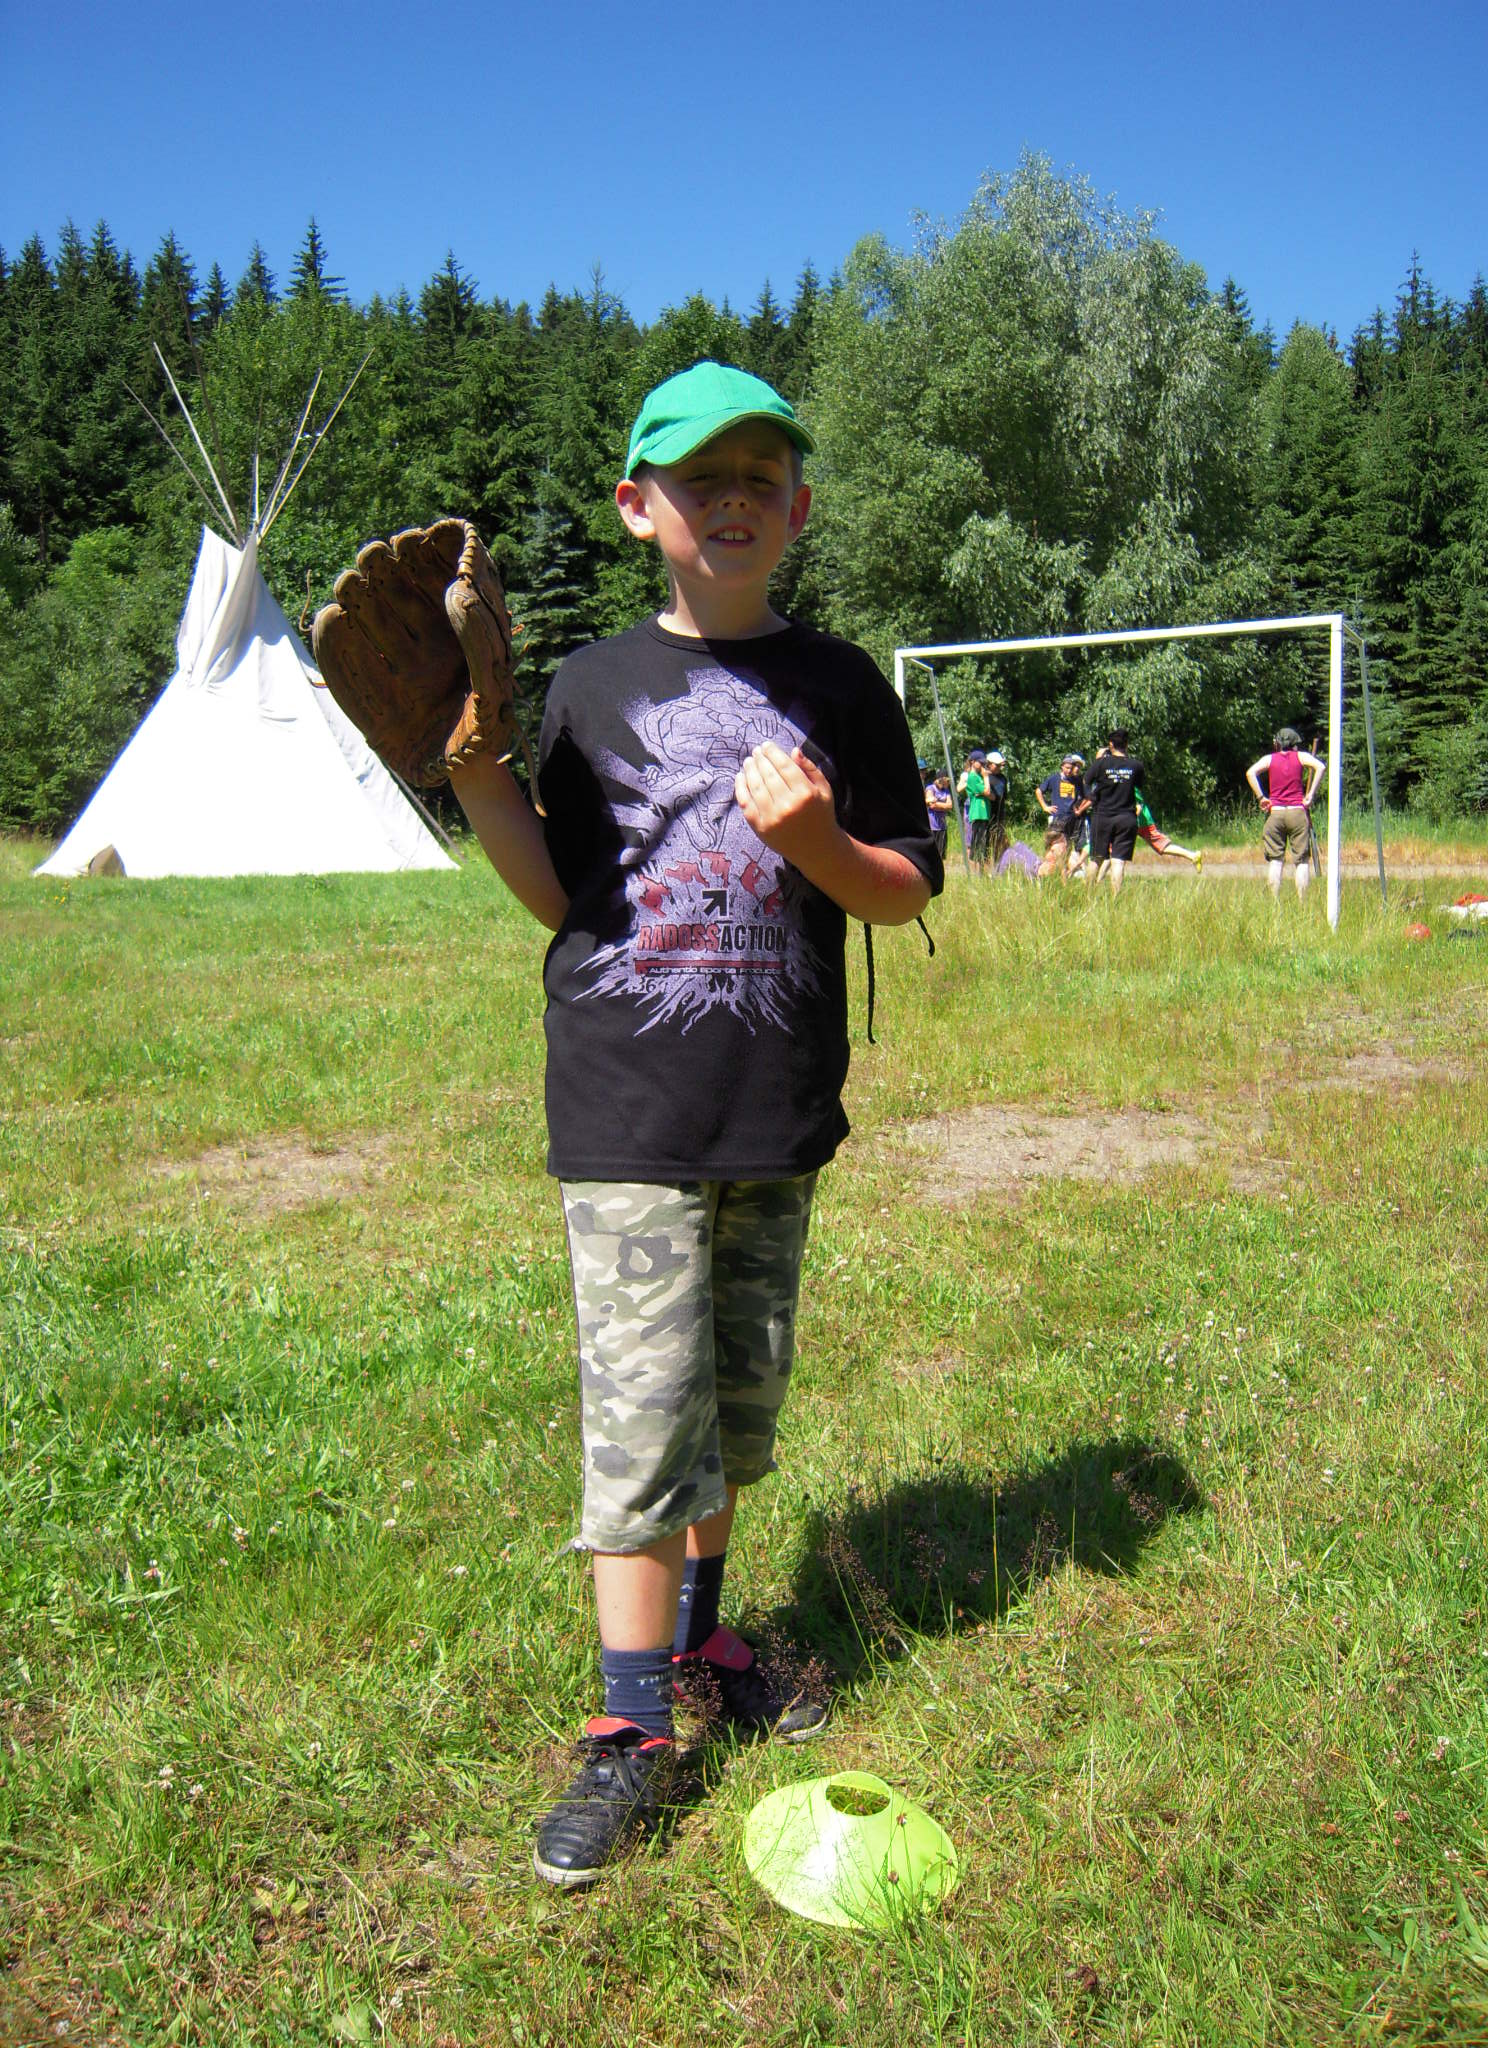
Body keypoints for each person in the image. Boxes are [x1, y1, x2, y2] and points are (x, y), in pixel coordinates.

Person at [448, 361, 941, 1888]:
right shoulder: (590, 687)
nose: (731, 500)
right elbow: (563, 894)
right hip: (629, 1106)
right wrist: (474, 778)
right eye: (698, 478)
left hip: (772, 1109)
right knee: (639, 1418)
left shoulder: (843, 687)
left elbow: (902, 890)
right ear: (636, 506)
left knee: (728, 1413)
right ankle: (629, 1726)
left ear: (798, 506)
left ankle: (708, 1637)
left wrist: (818, 840)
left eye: (759, 478)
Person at [1245, 726, 1324, 897]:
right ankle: (1302, 902)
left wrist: (1261, 797)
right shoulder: (1301, 756)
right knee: (1302, 861)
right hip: (1297, 813)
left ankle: (1275, 902)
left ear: (1278, 743)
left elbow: (1250, 773)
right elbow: (1320, 767)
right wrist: (1310, 795)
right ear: (1294, 743)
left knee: (1275, 860)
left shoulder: (1269, 759)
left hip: (1276, 813)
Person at [1081, 727, 1147, 894]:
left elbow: (1085, 781)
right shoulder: (1136, 766)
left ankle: (1087, 896)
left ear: (1110, 744)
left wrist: (1090, 796)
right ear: (1127, 744)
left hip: (1102, 816)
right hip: (1126, 817)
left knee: (1096, 859)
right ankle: (1115, 900)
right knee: (1118, 861)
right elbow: (1139, 786)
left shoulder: (1101, 763)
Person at [1036, 751, 1086, 878]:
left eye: (1071, 768)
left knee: (1067, 847)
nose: (1069, 770)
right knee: (1055, 847)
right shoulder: (1054, 778)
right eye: (1067, 768)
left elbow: (1084, 796)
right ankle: (1046, 873)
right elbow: (1039, 791)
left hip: (1072, 819)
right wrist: (1045, 806)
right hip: (1057, 819)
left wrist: (1078, 807)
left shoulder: (1076, 781)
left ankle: (1060, 873)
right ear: (1062, 766)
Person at [1134, 790, 1202, 871]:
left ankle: (1193, 856)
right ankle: (1192, 856)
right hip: (1135, 821)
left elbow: (1138, 806)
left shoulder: (1128, 784)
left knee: (1162, 846)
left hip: (1141, 822)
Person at [963, 748, 991, 866]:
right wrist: (986, 777)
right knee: (977, 845)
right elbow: (987, 792)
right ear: (972, 762)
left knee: (983, 844)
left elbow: (987, 793)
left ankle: (981, 869)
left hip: (984, 813)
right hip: (977, 814)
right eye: (980, 762)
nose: (983, 765)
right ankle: (976, 870)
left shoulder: (979, 776)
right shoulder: (973, 777)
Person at [923, 763, 953, 867]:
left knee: (941, 854)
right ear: (941, 779)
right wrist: (942, 805)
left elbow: (950, 805)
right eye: (947, 780)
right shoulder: (930, 788)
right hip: (932, 826)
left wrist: (937, 804)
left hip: (942, 826)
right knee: (932, 853)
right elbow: (931, 805)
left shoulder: (946, 791)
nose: (948, 782)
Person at [984, 751, 1010, 862]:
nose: (999, 767)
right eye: (997, 765)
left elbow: (1004, 797)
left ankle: (999, 864)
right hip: (987, 815)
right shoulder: (985, 778)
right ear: (989, 764)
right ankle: (986, 864)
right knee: (986, 843)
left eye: (1000, 765)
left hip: (1000, 815)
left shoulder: (1003, 778)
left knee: (999, 842)